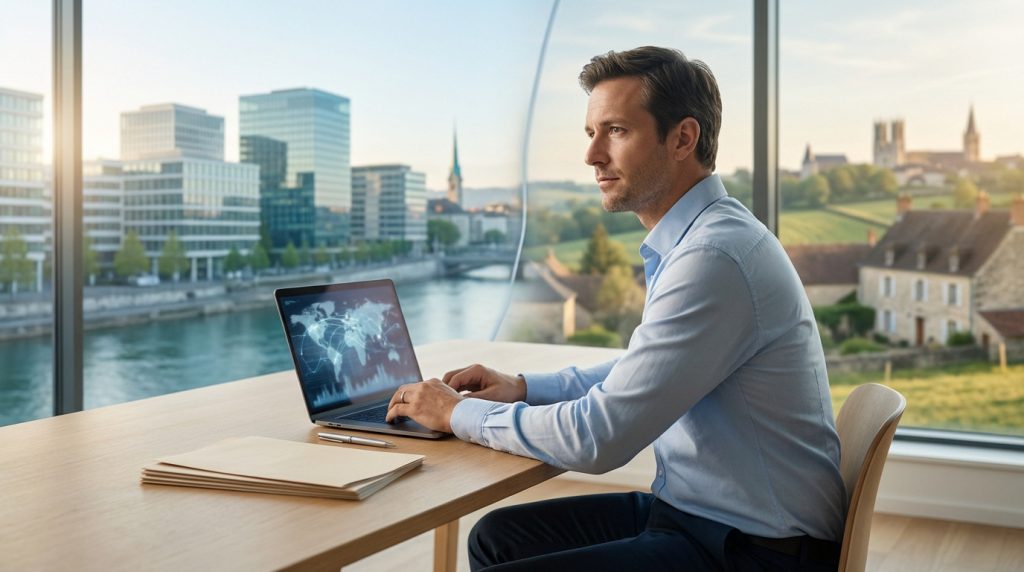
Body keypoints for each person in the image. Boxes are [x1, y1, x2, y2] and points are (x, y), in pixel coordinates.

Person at [385, 46, 846, 571]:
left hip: (756, 549)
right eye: (590, 133)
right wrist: (523, 388)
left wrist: (457, 412)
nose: (592, 155)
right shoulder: (701, 238)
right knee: (498, 537)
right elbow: (639, 371)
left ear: (683, 138)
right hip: (701, 513)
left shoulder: (714, 257)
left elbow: (597, 438)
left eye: (616, 131)